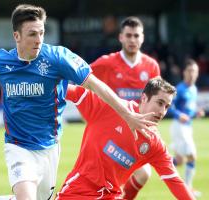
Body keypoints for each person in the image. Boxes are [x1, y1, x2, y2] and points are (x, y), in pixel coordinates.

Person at [0, 4, 156, 200]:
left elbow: (94, 84)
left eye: (41, 33)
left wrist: (127, 114)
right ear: (16, 36)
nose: (38, 39)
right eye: (32, 34)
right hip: (18, 146)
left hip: (49, 147)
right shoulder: (3, 62)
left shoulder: (58, 58)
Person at [56, 77, 194, 199]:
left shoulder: (154, 143)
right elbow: (71, 91)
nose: (162, 111)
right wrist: (41, 88)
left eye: (167, 106)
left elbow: (173, 179)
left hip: (111, 195)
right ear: (144, 98)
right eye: (160, 103)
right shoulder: (111, 107)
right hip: (78, 191)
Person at [90, 16, 160, 199]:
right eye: (128, 35)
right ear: (120, 37)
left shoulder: (151, 66)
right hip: (112, 131)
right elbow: (83, 77)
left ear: (142, 38)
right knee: (112, 180)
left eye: (136, 36)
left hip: (138, 131)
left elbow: (156, 100)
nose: (132, 40)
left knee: (143, 174)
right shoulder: (107, 63)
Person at [169, 59, 205, 197]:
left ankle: (159, 161)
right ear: (184, 72)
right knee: (192, 156)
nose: (192, 74)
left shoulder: (194, 89)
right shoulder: (180, 88)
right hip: (179, 127)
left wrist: (196, 112)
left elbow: (189, 109)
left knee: (179, 161)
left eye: (195, 71)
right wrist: (179, 115)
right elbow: (170, 107)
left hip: (187, 128)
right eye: (190, 71)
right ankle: (188, 188)